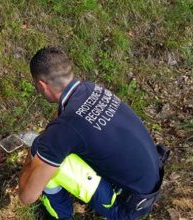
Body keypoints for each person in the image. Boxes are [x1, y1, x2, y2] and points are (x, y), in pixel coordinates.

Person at [18, 46, 169, 219]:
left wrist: (29, 163)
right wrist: (50, 137)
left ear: (42, 85)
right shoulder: (91, 89)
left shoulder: (65, 129)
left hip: (128, 207)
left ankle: (62, 215)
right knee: (51, 147)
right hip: (149, 184)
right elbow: (61, 119)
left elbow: (27, 197)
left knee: (39, 150)